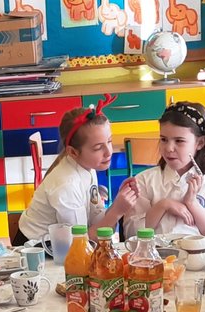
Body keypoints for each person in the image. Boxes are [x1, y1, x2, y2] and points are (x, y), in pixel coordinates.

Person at [15, 101, 138, 243]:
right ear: (73, 152)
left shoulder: (87, 166)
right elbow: (80, 242)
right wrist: (117, 211)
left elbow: (95, 219)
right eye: (98, 147)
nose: (108, 152)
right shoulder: (67, 186)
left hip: (61, 244)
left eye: (109, 141)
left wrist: (118, 204)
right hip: (34, 247)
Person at [125, 101, 205, 239]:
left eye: (179, 141)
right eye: (164, 139)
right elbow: (131, 234)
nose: (169, 148)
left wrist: (192, 203)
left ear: (200, 143)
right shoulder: (143, 181)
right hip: (156, 252)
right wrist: (163, 205)